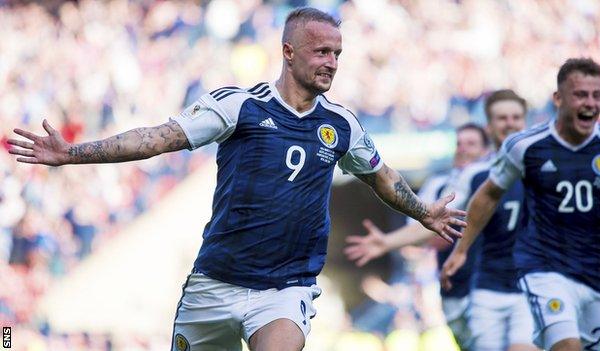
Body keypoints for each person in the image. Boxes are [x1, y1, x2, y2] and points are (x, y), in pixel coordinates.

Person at [7, 7, 466, 351]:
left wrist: (424, 212)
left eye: (337, 53)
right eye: (321, 51)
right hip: (216, 283)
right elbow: (157, 139)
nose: (331, 62)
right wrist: (74, 153)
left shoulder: (342, 125)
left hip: (285, 289)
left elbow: (382, 178)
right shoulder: (239, 106)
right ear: (288, 52)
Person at [441, 58, 600, 351]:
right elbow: (487, 196)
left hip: (596, 272)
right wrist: (461, 250)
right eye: (580, 95)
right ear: (558, 99)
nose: (590, 103)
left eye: (596, 95)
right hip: (542, 271)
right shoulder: (526, 147)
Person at [344, 122, 490, 350]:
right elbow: (424, 233)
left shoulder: (495, 178)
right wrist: (390, 242)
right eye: (459, 143)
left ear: (486, 151)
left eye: (471, 144)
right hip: (453, 283)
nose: (462, 149)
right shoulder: (440, 185)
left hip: (490, 281)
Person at [441, 90, 537, 351]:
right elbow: (440, 219)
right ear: (489, 125)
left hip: (532, 284)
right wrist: (388, 242)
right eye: (502, 117)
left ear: (524, 122)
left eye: (516, 117)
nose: (509, 123)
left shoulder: (542, 168)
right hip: (487, 286)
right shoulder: (475, 175)